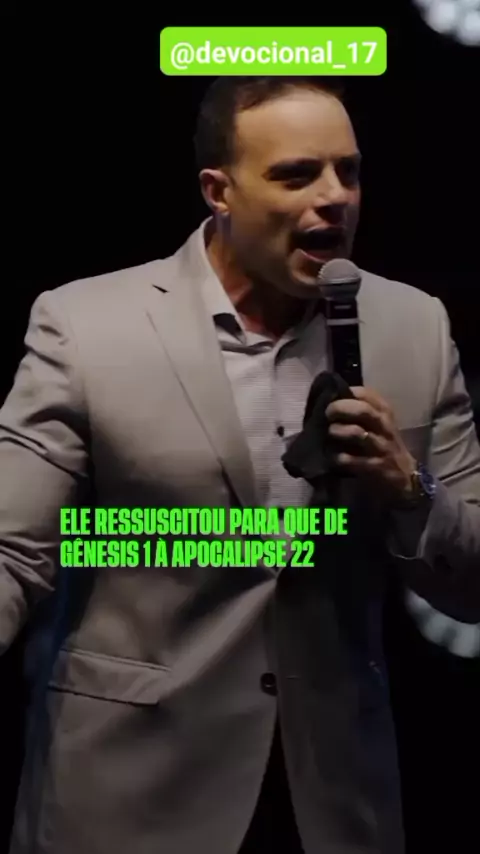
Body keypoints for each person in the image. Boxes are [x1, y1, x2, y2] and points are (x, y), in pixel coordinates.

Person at [1, 75, 480, 854]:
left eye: (349, 171)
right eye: (297, 174)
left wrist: (410, 492)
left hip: (333, 802)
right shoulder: (86, 326)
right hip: (131, 797)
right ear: (218, 191)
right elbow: (11, 551)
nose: (335, 197)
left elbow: (473, 586)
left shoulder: (414, 329)